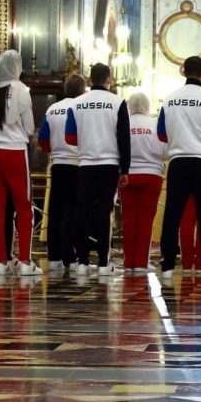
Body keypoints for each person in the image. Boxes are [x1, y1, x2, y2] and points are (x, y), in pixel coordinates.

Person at [157, 55, 201, 281]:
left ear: (183, 71)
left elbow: (161, 133)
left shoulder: (169, 100)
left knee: (172, 215)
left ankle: (167, 266)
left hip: (178, 161)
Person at [65, 63, 131, 279]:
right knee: (105, 213)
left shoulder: (76, 103)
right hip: (110, 164)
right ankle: (104, 262)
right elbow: (124, 139)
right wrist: (126, 168)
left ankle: (82, 262)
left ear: (90, 78)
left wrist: (88, 143)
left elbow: (70, 138)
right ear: (109, 78)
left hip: (85, 164)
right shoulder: (118, 102)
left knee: (81, 213)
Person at [0, 49, 41, 278]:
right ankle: (25, 261)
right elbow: (28, 126)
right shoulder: (20, 90)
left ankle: (1, 262)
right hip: (13, 151)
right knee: (24, 207)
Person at [38, 74, 85, 276]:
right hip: (78, 164)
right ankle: (71, 257)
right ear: (83, 90)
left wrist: (57, 151)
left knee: (55, 213)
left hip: (58, 164)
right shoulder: (82, 108)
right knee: (75, 212)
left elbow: (43, 142)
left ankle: (54, 257)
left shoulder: (51, 109)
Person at [122, 92, 164, 273]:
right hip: (151, 175)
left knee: (128, 218)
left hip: (127, 175)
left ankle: (128, 261)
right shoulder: (154, 124)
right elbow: (164, 150)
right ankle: (141, 262)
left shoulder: (123, 123)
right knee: (146, 219)